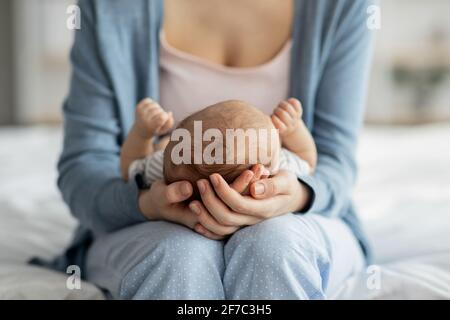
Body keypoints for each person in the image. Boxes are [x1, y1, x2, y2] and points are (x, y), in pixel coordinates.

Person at [54, 0, 375, 299]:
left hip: (298, 218)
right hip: (151, 222)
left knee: (276, 248)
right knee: (176, 256)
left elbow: (332, 162)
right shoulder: (112, 8)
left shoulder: (341, 7)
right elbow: (90, 167)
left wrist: (297, 196)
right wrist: (147, 202)